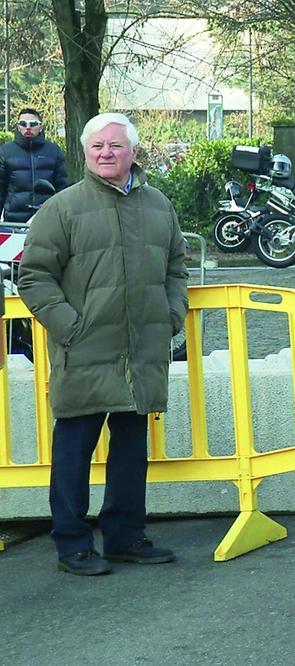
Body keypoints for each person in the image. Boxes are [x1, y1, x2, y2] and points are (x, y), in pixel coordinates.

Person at [18, 113, 188, 575]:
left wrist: (170, 316)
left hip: (142, 349)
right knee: (74, 450)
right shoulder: (63, 208)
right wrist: (71, 327)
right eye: (97, 146)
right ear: (85, 153)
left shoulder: (158, 206)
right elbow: (34, 276)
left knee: (131, 450)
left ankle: (126, 536)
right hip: (85, 349)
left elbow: (176, 268)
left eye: (115, 145)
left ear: (134, 152)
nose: (106, 153)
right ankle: (72, 544)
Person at [1, 108, 69, 224]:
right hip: (14, 220)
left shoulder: (54, 151)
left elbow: (62, 188)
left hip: (47, 217)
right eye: (23, 123)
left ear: (41, 127)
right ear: (18, 127)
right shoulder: (5, 152)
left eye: (33, 124)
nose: (28, 127)